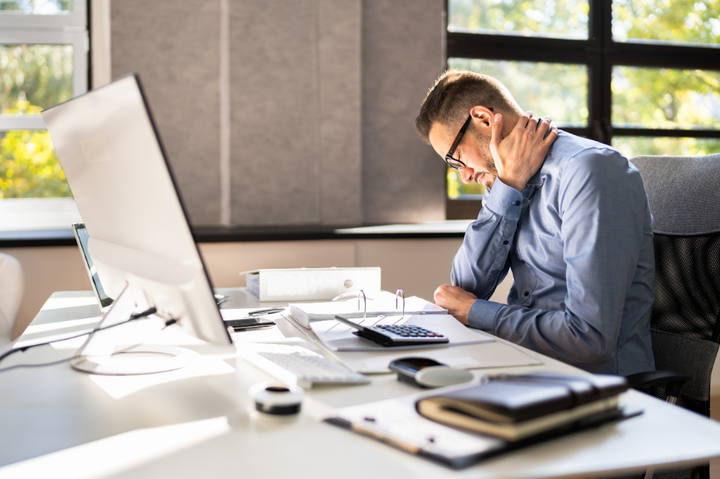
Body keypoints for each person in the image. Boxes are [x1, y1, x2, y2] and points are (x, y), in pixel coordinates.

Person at [415, 69, 655, 376]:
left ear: (484, 119)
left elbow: (589, 337)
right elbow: (464, 287)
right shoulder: (504, 179)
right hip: (525, 362)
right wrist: (508, 186)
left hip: (590, 382)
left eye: (456, 158)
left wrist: (476, 312)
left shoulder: (589, 171)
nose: (464, 174)